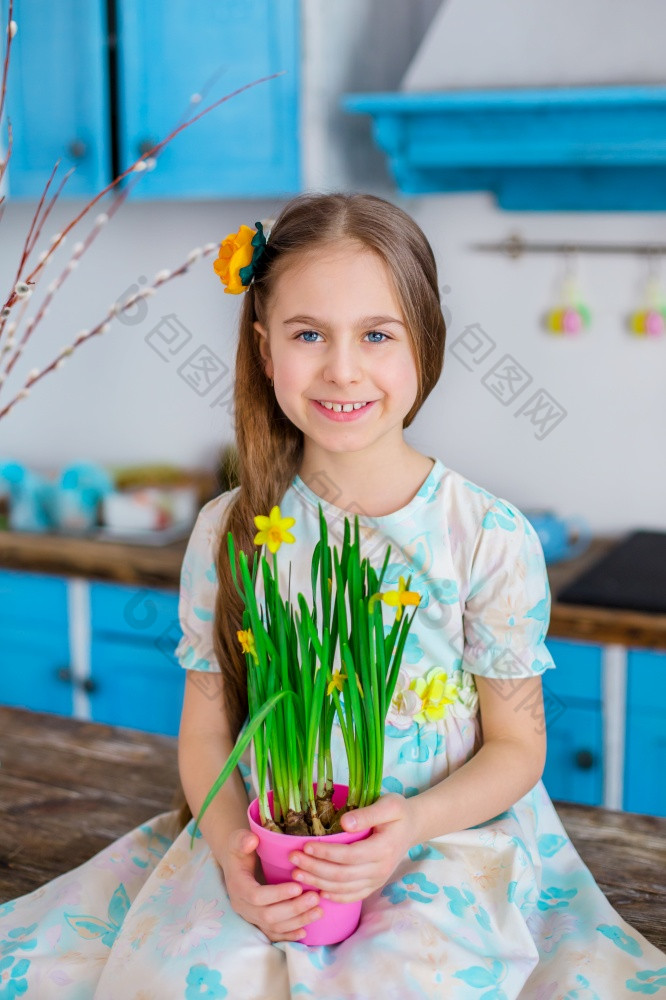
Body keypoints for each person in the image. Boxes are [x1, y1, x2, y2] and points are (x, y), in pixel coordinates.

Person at [1, 192, 664, 998]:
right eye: (308, 334)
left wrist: (410, 825)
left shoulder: (485, 534)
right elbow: (208, 737)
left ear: (426, 344)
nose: (342, 368)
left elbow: (518, 749)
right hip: (266, 845)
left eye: (377, 335)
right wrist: (236, 863)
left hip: (442, 839)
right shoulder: (230, 531)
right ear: (264, 347)